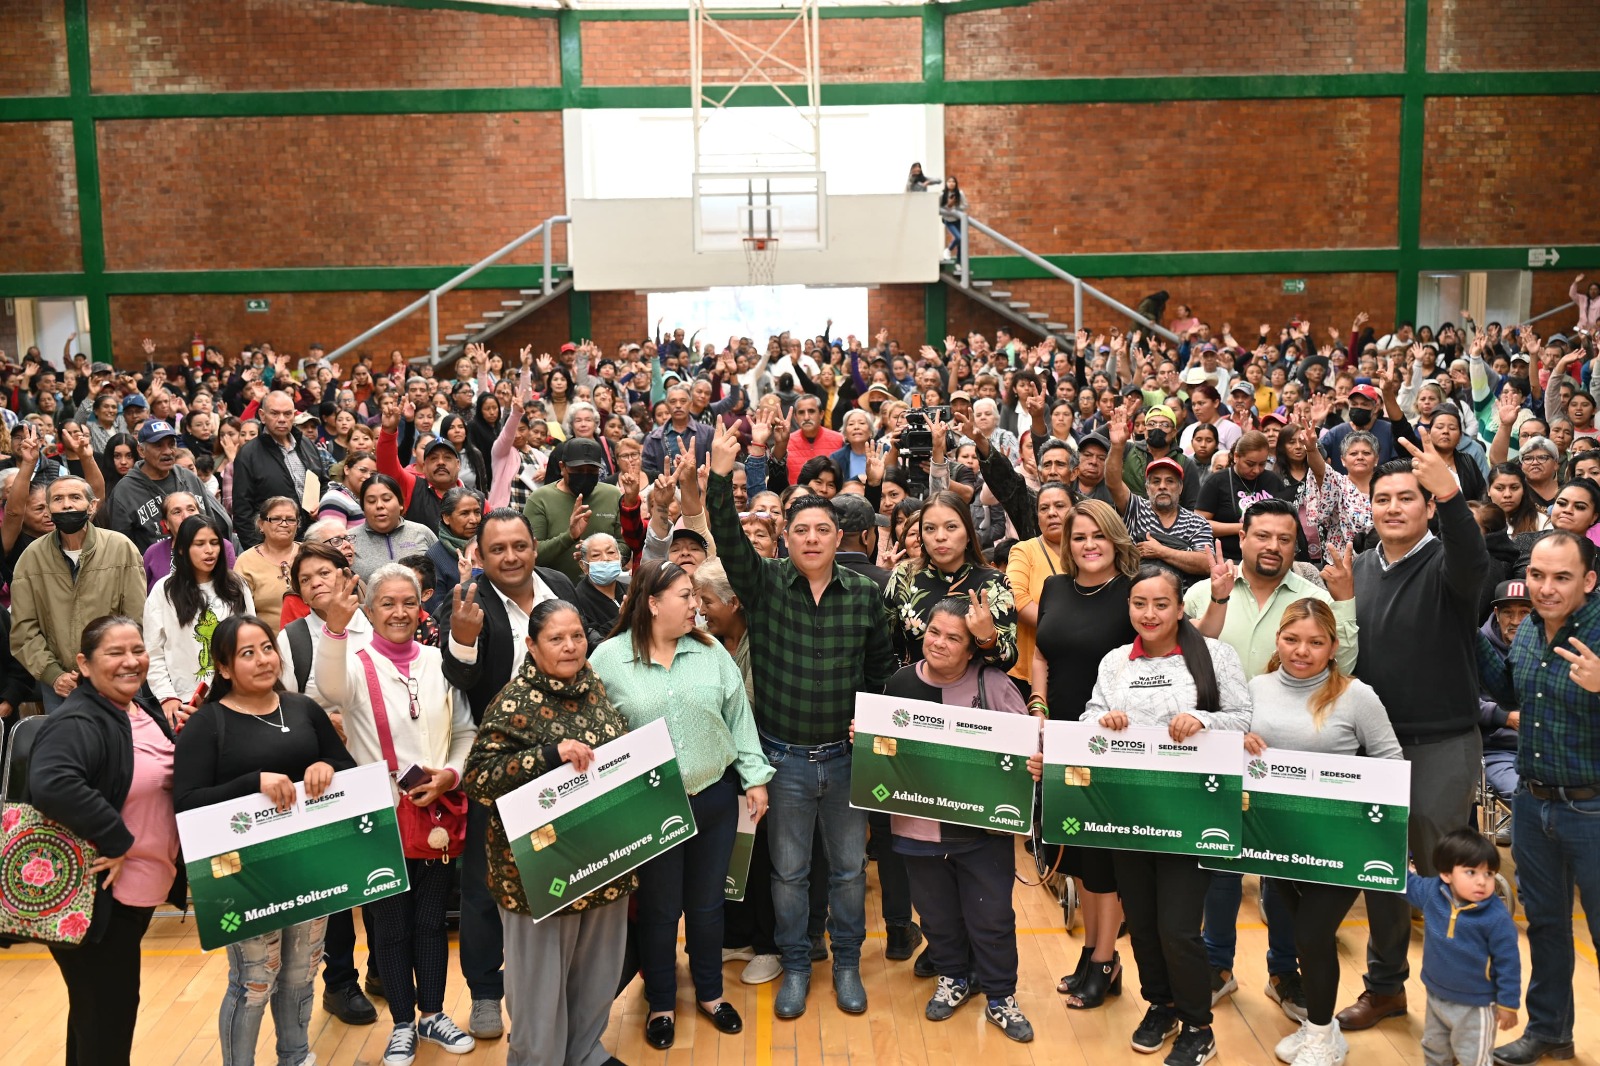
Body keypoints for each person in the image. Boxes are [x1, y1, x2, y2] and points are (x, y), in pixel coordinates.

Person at [705, 420, 897, 1019]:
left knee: (844, 874)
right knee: (787, 874)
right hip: (781, 759)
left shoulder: (866, 595)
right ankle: (794, 965)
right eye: (800, 530)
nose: (811, 539)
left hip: (844, 763)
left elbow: (880, 671)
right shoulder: (762, 587)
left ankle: (844, 965)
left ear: (840, 536)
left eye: (822, 530)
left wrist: (869, 724)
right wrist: (719, 473)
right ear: (784, 537)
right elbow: (727, 536)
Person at [1337, 436, 1490, 1033]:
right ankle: (1385, 989)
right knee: (1381, 874)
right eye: (1383, 499)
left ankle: (1460, 1002)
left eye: (1408, 498)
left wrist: (1452, 493)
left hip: (1441, 746)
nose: (1394, 507)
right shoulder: (1363, 568)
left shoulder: (1450, 563)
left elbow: (1475, 561)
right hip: (1375, 749)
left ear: (1429, 508)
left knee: (1445, 875)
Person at [590, 559, 772, 1049]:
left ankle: (711, 995)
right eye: (685, 597)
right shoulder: (607, 659)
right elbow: (593, 730)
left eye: (696, 596)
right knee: (659, 908)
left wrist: (754, 778)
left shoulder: (711, 653)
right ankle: (663, 1004)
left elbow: (739, 718)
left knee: (709, 904)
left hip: (714, 795)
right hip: (650, 805)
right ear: (651, 604)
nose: (696, 606)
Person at [1083, 563, 1252, 1064]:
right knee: (1144, 919)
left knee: (1178, 927)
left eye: (1161, 604)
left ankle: (1199, 1025)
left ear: (1181, 608)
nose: (1150, 613)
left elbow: (1242, 718)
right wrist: (1103, 720)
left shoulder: (1215, 655)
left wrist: (1200, 718)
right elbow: (1090, 716)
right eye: (1140, 604)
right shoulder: (1115, 661)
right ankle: (1161, 1005)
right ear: (1129, 608)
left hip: (1192, 812)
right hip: (1130, 811)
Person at [173, 615, 356, 1066]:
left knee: (301, 972)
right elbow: (187, 804)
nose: (262, 660)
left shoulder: (303, 708)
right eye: (247, 653)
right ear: (224, 667)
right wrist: (252, 783)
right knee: (256, 978)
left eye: (267, 648)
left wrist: (326, 767)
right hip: (244, 875)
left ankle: (295, 1057)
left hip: (311, 863)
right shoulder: (207, 724)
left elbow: (345, 768)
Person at [314, 563, 477, 1064]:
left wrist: (450, 774)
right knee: (389, 927)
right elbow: (329, 690)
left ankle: (433, 1015)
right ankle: (402, 1023)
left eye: (409, 602)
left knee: (430, 923)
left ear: (422, 606)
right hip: (379, 820)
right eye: (388, 602)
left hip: (435, 816)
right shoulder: (355, 662)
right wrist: (335, 630)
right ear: (369, 609)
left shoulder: (437, 662)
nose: (400, 612)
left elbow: (467, 732)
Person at [462, 600, 634, 1066]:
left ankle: (583, 1053)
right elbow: (478, 779)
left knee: (596, 973)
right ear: (532, 646)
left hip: (601, 860)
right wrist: (549, 754)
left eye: (577, 635)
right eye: (557, 639)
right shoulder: (514, 701)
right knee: (539, 987)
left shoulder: (592, 684)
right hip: (537, 872)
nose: (571, 646)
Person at [438, 508, 580, 1039]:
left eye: (519, 545)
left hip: (565, 762)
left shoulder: (561, 584)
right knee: (482, 886)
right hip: (498, 766)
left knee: (556, 873)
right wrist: (461, 636)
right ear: (479, 555)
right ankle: (483, 993)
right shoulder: (468, 600)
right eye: (497, 549)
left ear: (535, 546)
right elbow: (459, 677)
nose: (511, 556)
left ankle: (551, 986)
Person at [1241, 599, 1403, 1065]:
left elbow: (1390, 761)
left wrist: (1376, 830)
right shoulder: (1256, 687)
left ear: (1333, 646)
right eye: (1292, 640)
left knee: (1313, 936)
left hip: (1340, 842)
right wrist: (1244, 742)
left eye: (1315, 642)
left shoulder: (1357, 696)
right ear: (1278, 640)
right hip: (1276, 841)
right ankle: (1321, 1027)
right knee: (1295, 936)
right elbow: (1240, 749)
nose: (1302, 651)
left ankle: (1321, 1035)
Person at [874, 597, 1040, 1042]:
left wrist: (1035, 762)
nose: (939, 644)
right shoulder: (900, 682)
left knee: (992, 918)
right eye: (933, 632)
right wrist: (868, 739)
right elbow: (886, 750)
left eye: (953, 638)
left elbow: (1026, 746)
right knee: (936, 915)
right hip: (916, 828)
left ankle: (1001, 997)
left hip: (980, 831)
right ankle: (953, 978)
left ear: (971, 649)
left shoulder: (993, 683)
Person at [26, 615, 184, 1066]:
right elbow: (53, 783)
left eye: (137, 650)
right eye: (115, 653)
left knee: (97, 1019)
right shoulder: (78, 719)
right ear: (84, 663)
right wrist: (116, 840)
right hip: (95, 901)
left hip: (131, 896)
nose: (130, 661)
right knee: (108, 1023)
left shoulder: (137, 710)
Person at [1474, 532, 1600, 1066]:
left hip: (1593, 811)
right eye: (1540, 577)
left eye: (1562, 578)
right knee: (1546, 926)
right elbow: (1505, 688)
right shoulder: (1527, 628)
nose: (1546, 589)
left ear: (1589, 581)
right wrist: (1463, 626)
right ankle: (1551, 1032)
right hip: (1532, 802)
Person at [1030, 499, 1140, 1007]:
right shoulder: (1054, 587)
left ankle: (1104, 959)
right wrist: (1038, 709)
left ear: (1115, 538)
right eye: (1078, 537)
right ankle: (1094, 953)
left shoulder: (1132, 595)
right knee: (1076, 855)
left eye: (1098, 535)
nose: (1088, 545)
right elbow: (1040, 654)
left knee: (1104, 861)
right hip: (1060, 735)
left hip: (1112, 739)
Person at [12, 475, 146, 712]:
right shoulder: (31, 558)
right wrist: (54, 675)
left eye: (75, 497)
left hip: (116, 677)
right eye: (57, 499)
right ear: (49, 509)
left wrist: (109, 666)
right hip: (59, 685)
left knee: (120, 745)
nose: (66, 505)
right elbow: (24, 630)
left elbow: (136, 619)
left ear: (92, 506)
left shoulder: (120, 548)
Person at [1406, 831, 1521, 1066]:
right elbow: (1404, 884)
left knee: (1474, 1058)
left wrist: (1508, 1004)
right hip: (1436, 995)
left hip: (1476, 1006)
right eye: (1471, 872)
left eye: (1489, 873)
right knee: (1434, 1050)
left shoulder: (1496, 919)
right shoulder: (1432, 893)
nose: (1482, 881)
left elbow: (1508, 964)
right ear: (1446, 874)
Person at [884, 489, 1017, 670]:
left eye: (951, 527)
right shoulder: (904, 574)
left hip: (970, 694)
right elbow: (885, 642)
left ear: (969, 533)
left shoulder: (995, 583)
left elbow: (1008, 660)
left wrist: (988, 638)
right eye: (930, 528)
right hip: (913, 691)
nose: (940, 537)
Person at [145, 514, 254, 731]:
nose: (210, 550)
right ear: (183, 548)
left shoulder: (236, 585)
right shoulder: (164, 590)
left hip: (235, 694)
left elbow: (252, 637)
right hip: (185, 698)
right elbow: (153, 650)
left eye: (214, 543)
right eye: (200, 544)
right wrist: (167, 696)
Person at [524, 436, 637, 586]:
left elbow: (625, 545)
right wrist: (569, 537)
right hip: (554, 592)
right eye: (577, 470)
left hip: (603, 590)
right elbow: (531, 554)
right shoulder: (540, 499)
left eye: (591, 470)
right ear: (562, 467)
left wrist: (599, 554)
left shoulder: (612, 495)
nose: (585, 475)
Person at [107, 418, 230, 553]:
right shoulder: (124, 491)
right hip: (153, 570)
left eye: (171, 444)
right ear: (141, 451)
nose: (167, 451)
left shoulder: (189, 478)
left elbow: (210, 524)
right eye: (158, 446)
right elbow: (121, 548)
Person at [232, 389, 326, 547]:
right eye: (275, 413)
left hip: (312, 537)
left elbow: (323, 482)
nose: (282, 419)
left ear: (294, 415)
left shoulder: (306, 444)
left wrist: (321, 503)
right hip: (272, 542)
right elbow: (242, 511)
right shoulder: (248, 454)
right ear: (262, 415)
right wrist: (257, 551)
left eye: (287, 414)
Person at [1197, 429, 1294, 560]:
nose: (1256, 470)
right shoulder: (1217, 481)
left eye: (1262, 464)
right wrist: (1244, 527)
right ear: (1236, 457)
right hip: (1228, 558)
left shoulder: (1272, 480)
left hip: (1266, 556)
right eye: (1250, 464)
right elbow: (1199, 525)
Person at [142, 489, 238, 590]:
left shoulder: (223, 546)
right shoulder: (153, 552)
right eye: (177, 512)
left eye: (191, 509)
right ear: (166, 523)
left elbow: (231, 588)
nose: (186, 516)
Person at [349, 472, 437, 581]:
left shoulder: (422, 532)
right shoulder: (349, 540)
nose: (379, 505)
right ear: (363, 508)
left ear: (400, 503)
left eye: (386, 499)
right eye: (371, 501)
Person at [233, 495, 299, 635]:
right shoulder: (246, 561)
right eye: (275, 519)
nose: (284, 523)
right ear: (261, 524)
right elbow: (241, 613)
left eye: (291, 519)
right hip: (267, 644)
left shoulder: (310, 554)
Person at [425, 485, 485, 614]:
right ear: (446, 518)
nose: (474, 520)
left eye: (477, 512)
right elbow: (436, 608)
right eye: (464, 513)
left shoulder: (490, 547)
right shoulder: (435, 556)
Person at [573, 531, 627, 649]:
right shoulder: (577, 601)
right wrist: (622, 618)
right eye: (596, 555)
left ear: (620, 558)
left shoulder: (630, 590)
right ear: (584, 566)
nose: (605, 559)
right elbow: (593, 643)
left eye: (611, 552)